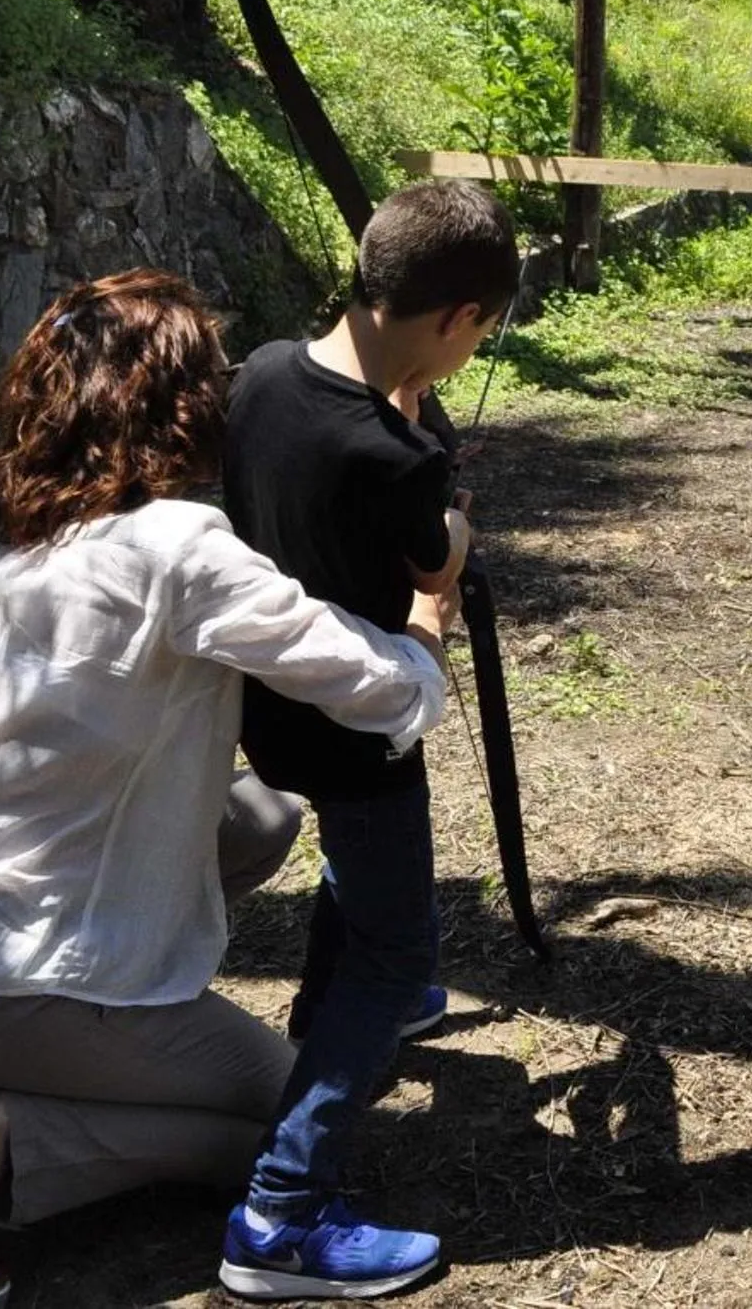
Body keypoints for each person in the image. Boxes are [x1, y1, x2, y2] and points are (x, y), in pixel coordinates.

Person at [0, 270, 456, 1309]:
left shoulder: (25, 541)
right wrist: (428, 617)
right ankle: (0, 1131)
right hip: (27, 979)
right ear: (178, 400)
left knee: (267, 815)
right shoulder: (177, 546)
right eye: (214, 376)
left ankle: (25, 1100)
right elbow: (381, 689)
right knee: (292, 1116)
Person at [218, 179, 517, 1297]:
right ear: (458, 318)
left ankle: (319, 1024)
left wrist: (407, 405)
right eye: (479, 331)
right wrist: (449, 537)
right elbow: (434, 567)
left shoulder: (259, 375)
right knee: (398, 957)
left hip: (272, 712)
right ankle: (280, 1214)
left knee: (361, 885)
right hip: (362, 729)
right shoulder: (397, 457)